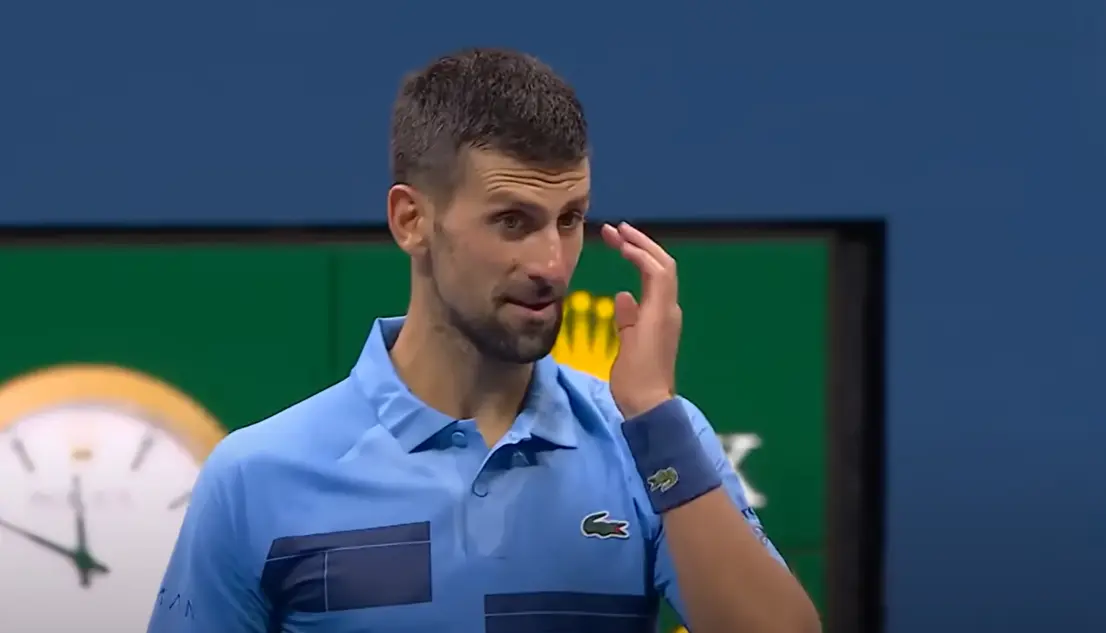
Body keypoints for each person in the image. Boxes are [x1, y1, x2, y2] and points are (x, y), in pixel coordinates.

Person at [146, 48, 821, 633]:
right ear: (411, 220)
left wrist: (653, 413)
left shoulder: (651, 442)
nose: (552, 263)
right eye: (512, 221)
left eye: (571, 219)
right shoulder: (255, 476)